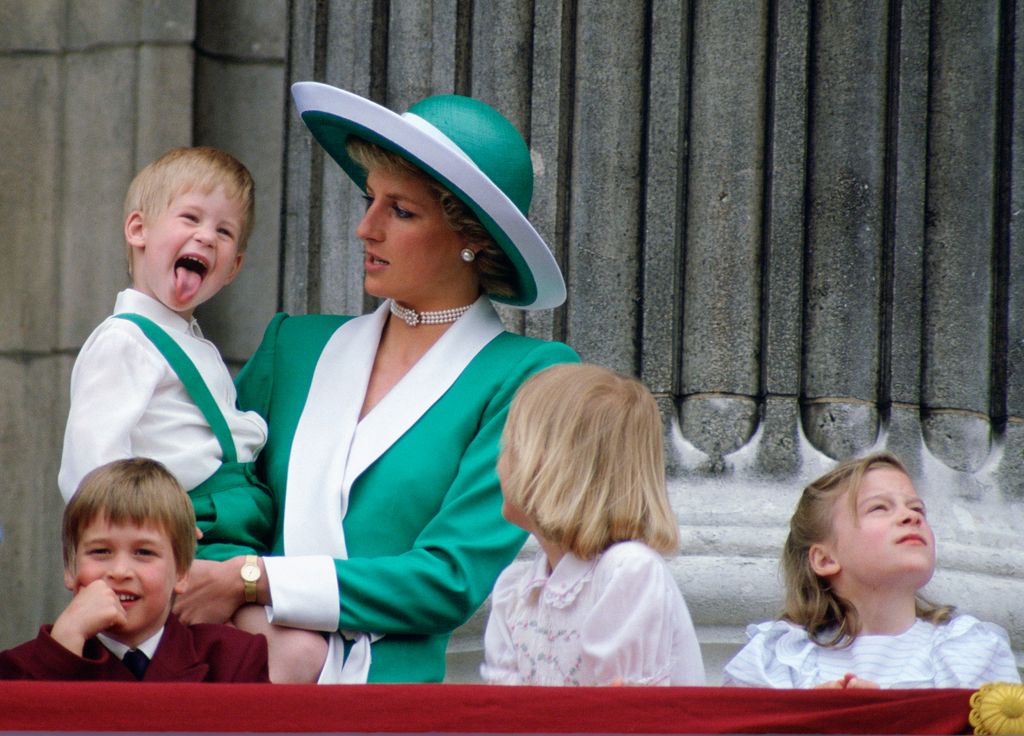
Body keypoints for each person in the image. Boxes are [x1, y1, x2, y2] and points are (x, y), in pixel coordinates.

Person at [173, 83, 579, 684]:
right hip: (237, 677)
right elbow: (219, 504)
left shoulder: (528, 376)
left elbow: (448, 579)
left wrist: (256, 581)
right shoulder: (295, 345)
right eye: (370, 199)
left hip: (389, 705)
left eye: (401, 210)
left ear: (472, 237)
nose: (366, 228)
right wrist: (239, 597)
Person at [58, 146, 275, 562]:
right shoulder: (126, 341)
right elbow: (89, 465)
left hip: (229, 525)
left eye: (224, 232)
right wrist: (137, 542)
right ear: (138, 229)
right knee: (279, 628)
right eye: (191, 218)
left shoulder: (190, 342)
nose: (207, 236)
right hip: (183, 532)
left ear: (234, 268)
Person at [481, 363, 705, 686]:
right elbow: (502, 716)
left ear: (552, 466)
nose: (498, 464)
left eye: (510, 448)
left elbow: (623, 719)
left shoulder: (627, 572)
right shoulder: (516, 591)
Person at [723, 451, 1020, 689]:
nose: (909, 517)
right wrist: (806, 717)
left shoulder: (971, 652)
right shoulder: (776, 659)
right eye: (879, 508)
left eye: (917, 509)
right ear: (825, 559)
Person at [0, 458, 268, 681]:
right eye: (101, 551)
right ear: (70, 568)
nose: (120, 571)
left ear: (182, 573)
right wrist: (64, 645)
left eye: (144, 552)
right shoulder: (17, 669)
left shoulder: (234, 660)